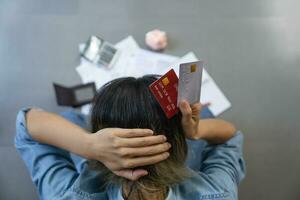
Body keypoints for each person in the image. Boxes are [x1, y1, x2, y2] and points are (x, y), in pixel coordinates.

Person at [15, 75, 245, 200]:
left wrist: (86, 144)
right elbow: (230, 136)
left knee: (67, 118)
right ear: (179, 144)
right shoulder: (217, 194)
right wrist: (196, 131)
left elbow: (27, 124)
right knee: (204, 114)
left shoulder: (67, 195)